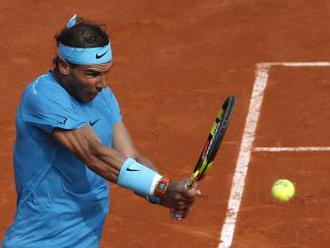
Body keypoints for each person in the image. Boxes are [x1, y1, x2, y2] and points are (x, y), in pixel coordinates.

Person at [2, 15, 200, 248]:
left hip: (86, 237)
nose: (102, 84)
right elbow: (94, 154)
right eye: (92, 74)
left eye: (106, 73)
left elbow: (131, 159)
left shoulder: (102, 95)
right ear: (64, 66)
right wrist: (164, 188)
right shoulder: (42, 96)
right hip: (39, 241)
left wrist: (162, 194)